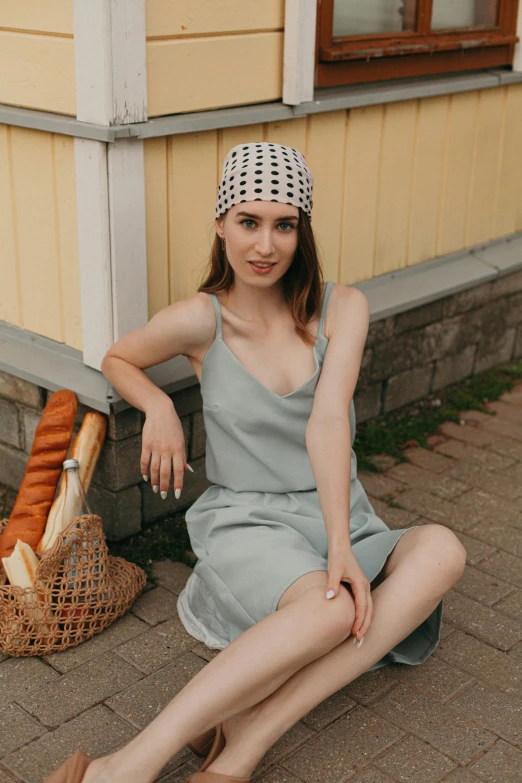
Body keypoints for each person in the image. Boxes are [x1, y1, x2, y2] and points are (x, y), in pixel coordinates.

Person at [45, 142, 466, 783]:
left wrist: (340, 543)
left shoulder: (341, 308)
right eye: (248, 222)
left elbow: (328, 422)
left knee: (443, 552)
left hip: (336, 510)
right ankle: (123, 766)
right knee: (332, 610)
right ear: (221, 225)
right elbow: (116, 358)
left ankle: (247, 735)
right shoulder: (200, 320)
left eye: (284, 224)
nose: (265, 245)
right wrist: (157, 404)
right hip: (248, 521)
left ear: (302, 229)